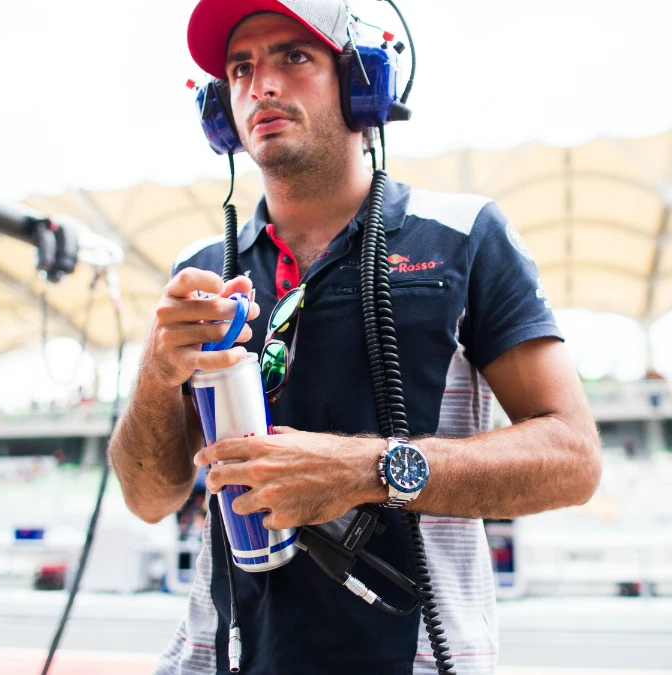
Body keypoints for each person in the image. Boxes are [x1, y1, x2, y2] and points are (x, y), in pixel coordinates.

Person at [108, 2, 602, 673]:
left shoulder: (465, 234)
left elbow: (574, 457)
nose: (263, 85)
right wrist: (156, 374)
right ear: (221, 111)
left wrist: (366, 472)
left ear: (363, 79)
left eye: (293, 56)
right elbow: (148, 496)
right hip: (216, 658)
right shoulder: (199, 267)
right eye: (241, 68)